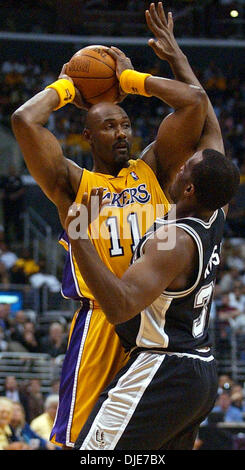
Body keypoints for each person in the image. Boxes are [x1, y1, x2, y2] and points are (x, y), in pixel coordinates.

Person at [11, 3, 208, 447]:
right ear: (87, 135)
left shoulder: (153, 169)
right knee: (83, 444)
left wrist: (129, 81)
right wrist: (68, 86)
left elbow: (194, 102)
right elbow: (24, 120)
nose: (121, 133)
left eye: (125, 124)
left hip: (157, 327)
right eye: (108, 126)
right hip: (102, 322)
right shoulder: (73, 182)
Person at [66, 149, 240, 449]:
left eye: (187, 166)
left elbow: (120, 307)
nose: (180, 165)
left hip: (164, 368)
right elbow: (200, 104)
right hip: (197, 370)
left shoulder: (174, 242)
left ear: (189, 188)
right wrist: (143, 96)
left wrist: (79, 234)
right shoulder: (216, 212)